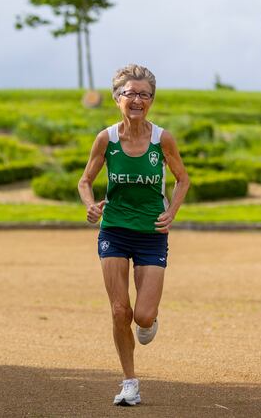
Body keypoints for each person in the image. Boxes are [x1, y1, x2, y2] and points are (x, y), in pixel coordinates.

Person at [77, 64, 190, 407]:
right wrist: (90, 206)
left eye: (144, 94)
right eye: (131, 93)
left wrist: (171, 212)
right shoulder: (107, 139)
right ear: (117, 98)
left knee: (141, 316)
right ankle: (129, 382)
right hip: (114, 229)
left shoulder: (162, 139)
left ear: (152, 100)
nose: (137, 100)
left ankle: (149, 318)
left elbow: (182, 179)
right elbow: (85, 181)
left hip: (151, 233)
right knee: (118, 310)